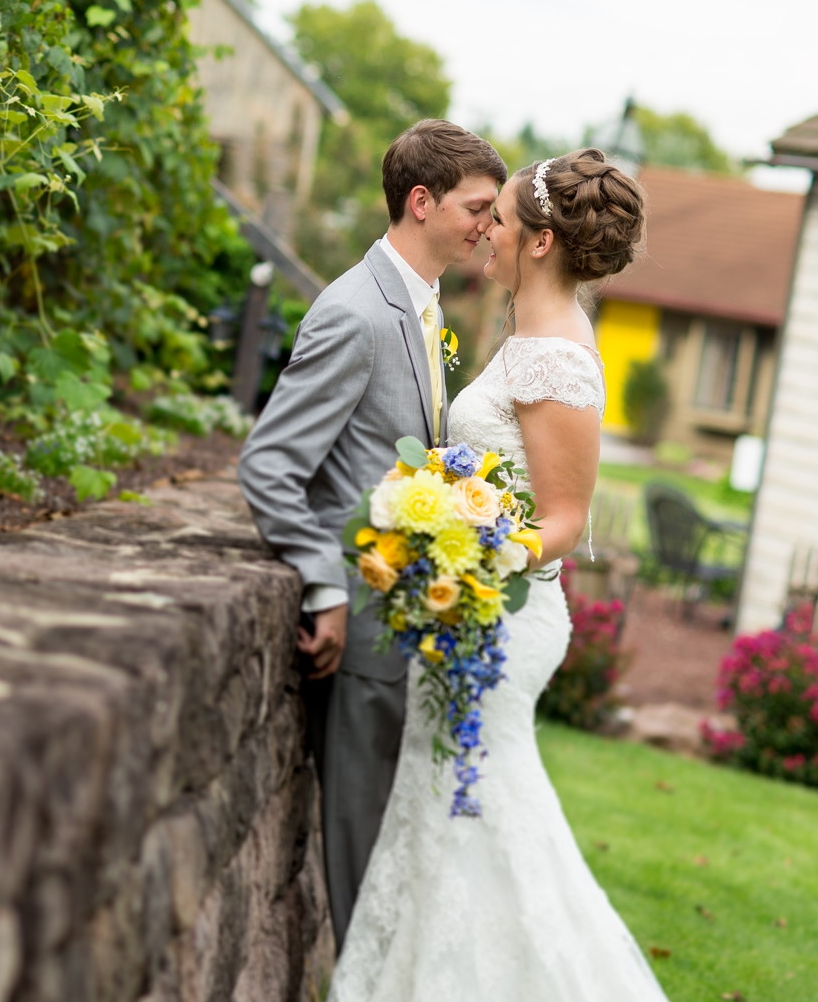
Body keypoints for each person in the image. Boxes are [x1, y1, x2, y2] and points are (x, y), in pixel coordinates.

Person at [329, 149, 667, 1000]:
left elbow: (563, 520)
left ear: (542, 242)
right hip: (471, 608)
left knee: (473, 812)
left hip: (501, 616)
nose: (489, 232)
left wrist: (468, 545)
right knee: (446, 809)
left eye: (504, 222)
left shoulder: (556, 357)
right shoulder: (527, 335)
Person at [237, 119, 505, 949]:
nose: (489, 228)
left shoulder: (417, 306)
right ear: (421, 202)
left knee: (385, 861)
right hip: (358, 634)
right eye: (478, 208)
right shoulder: (356, 310)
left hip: (397, 629)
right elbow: (271, 462)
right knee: (359, 871)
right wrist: (322, 583)